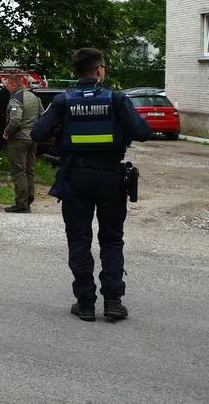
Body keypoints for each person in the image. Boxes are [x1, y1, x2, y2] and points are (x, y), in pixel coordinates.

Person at [32, 48, 151, 322]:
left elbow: (38, 133)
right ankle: (113, 302)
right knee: (111, 240)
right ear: (100, 70)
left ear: (77, 71)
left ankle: (85, 304)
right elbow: (142, 132)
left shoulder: (63, 101)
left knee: (79, 239)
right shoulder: (117, 99)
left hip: (76, 177)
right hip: (111, 177)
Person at [2, 75, 43, 213]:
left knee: (18, 171)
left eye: (7, 85)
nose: (6, 87)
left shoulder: (16, 99)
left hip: (19, 138)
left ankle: (21, 204)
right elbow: (42, 115)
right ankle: (28, 199)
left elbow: (15, 120)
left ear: (14, 85)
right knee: (29, 170)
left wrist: (7, 133)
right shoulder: (35, 97)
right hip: (33, 137)